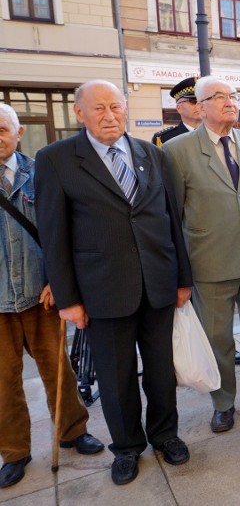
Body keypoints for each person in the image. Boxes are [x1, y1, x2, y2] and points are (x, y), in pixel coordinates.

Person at [35, 80, 193, 485]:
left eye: (116, 107)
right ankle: (126, 447)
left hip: (157, 283)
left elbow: (171, 221)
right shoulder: (57, 159)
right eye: (100, 108)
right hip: (102, 290)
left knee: (160, 370)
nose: (110, 116)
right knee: (116, 375)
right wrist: (68, 298)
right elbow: (53, 236)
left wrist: (182, 279)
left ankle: (165, 435)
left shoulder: (152, 155)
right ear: (80, 113)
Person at [163, 76, 240, 435]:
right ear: (199, 108)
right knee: (218, 338)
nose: (229, 102)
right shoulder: (178, 150)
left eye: (232, 96)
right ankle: (223, 403)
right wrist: (180, 273)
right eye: (219, 97)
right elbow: (173, 214)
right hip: (210, 260)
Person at [0, 105, 104, 489]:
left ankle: (72, 432)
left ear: (18, 132)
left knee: (58, 371)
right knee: (3, 382)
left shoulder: (41, 172)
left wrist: (58, 281)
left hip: (42, 295)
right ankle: (14, 452)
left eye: (1, 129)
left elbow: (65, 230)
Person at [152, 77, 202, 147]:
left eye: (202, 101)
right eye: (193, 101)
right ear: (179, 108)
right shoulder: (165, 138)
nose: (198, 105)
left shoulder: (217, 134)